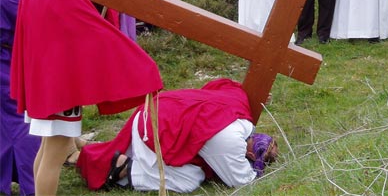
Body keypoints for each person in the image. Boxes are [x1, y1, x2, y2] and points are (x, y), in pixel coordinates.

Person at [10, 0, 163, 196]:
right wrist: (142, 65)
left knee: (45, 151)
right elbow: (92, 33)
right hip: (60, 88)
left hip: (40, 81)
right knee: (54, 158)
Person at [77, 79, 278, 192]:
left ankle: (126, 157)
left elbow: (221, 85)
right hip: (156, 127)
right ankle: (125, 169)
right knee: (190, 179)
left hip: (163, 107)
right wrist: (257, 168)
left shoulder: (243, 115)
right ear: (250, 155)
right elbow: (242, 182)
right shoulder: (229, 143)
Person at [0, 0, 46, 196]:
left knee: (7, 128)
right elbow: (42, 21)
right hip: (5, 67)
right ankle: (34, 187)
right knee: (25, 126)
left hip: (11, 61)